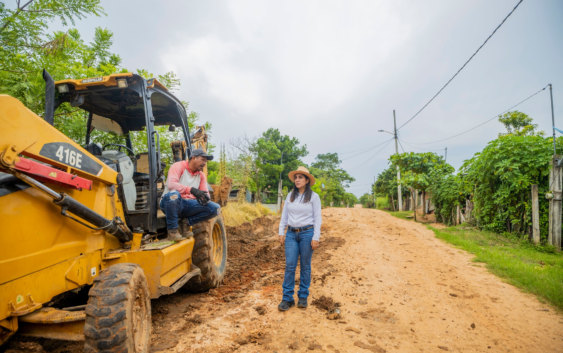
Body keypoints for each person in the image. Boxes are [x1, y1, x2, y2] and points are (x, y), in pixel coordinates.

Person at [278, 166, 322, 311]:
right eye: (296, 177)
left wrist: (316, 237)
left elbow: (317, 218)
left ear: (307, 180)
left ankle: (303, 296)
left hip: (307, 233)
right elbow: (284, 215)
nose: (297, 180)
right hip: (291, 233)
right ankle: (287, 298)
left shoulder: (314, 197)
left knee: (305, 265)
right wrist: (281, 232)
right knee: (290, 266)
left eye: (300, 177)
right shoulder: (291, 196)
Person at [159, 148, 220, 241]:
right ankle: (172, 231)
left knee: (215, 208)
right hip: (171, 204)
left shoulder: (201, 175)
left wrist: (205, 199)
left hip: (188, 205)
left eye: (206, 161)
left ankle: (186, 223)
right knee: (174, 194)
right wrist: (191, 190)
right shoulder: (178, 166)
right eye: (203, 160)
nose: (204, 163)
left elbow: (205, 193)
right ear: (194, 158)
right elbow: (171, 185)